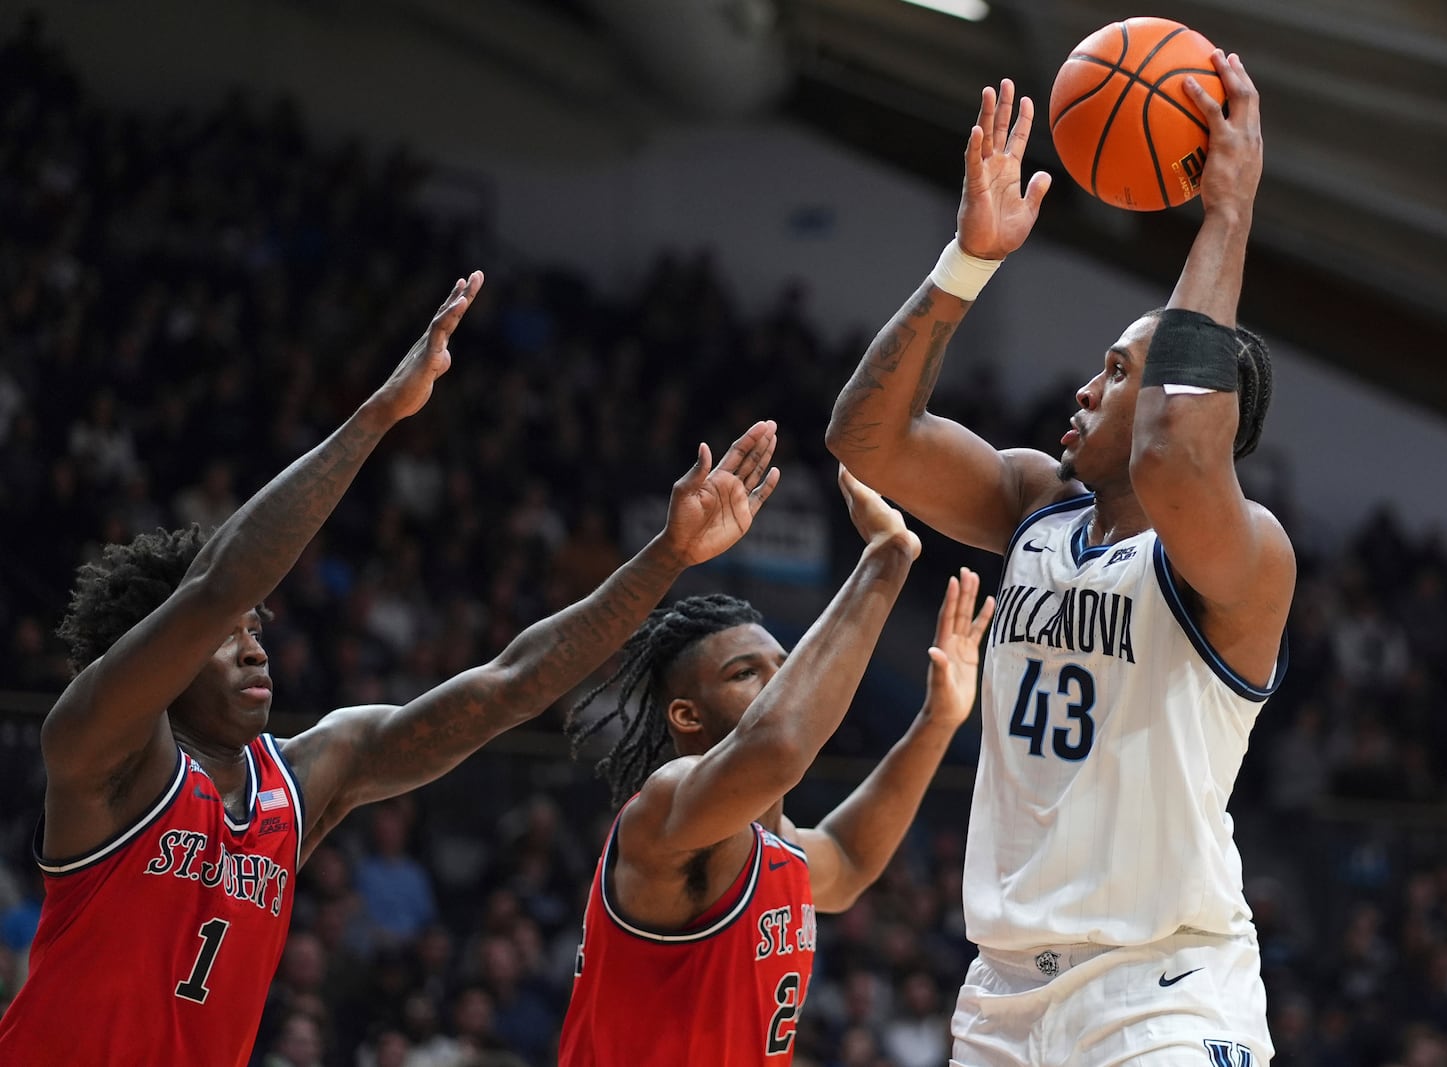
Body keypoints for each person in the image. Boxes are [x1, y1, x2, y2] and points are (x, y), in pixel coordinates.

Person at [0, 270, 785, 1067]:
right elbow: (218, 583)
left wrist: (668, 556)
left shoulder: (301, 779)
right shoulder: (96, 747)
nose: (253, 644)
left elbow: (510, 684)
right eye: (223, 636)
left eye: (257, 627)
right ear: (153, 651)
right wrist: (377, 416)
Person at [825, 52, 1292, 1065]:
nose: (1086, 386)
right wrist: (966, 263)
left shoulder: (1245, 559)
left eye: (1120, 371)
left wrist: (1224, 215)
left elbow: (1172, 449)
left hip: (1162, 991)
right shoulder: (1035, 501)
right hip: (1003, 996)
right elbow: (864, 434)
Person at [558, 468, 994, 1066]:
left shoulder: (775, 848)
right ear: (687, 715)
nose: (779, 682)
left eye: (783, 666)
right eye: (745, 673)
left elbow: (851, 858)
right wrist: (885, 561)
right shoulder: (667, 810)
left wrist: (938, 720)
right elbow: (782, 746)